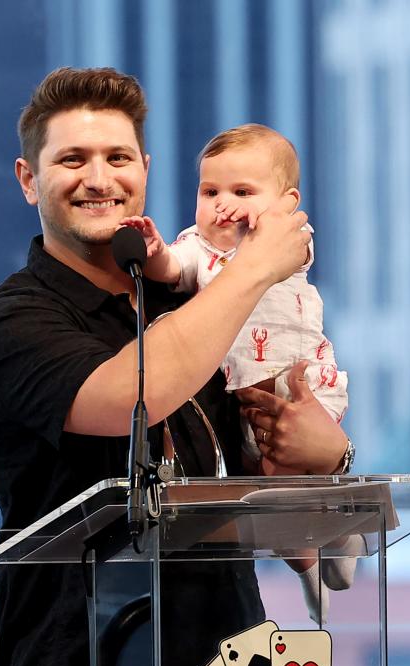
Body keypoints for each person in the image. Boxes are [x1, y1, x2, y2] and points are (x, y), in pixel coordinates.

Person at [0, 67, 352, 666]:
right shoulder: (15, 320)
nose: (99, 178)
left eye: (119, 157)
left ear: (145, 170)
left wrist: (327, 454)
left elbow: (259, 464)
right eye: (72, 159)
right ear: (27, 179)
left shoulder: (184, 300)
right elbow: (129, 396)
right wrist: (253, 272)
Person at [120, 124, 356, 622]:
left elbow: (291, 254)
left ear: (288, 203)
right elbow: (172, 269)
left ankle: (341, 529)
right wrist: (155, 248)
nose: (223, 205)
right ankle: (309, 563)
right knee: (270, 476)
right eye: (210, 192)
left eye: (243, 192)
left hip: (303, 376)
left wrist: (258, 231)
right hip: (246, 393)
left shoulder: (286, 239)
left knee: (302, 464)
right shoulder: (198, 249)